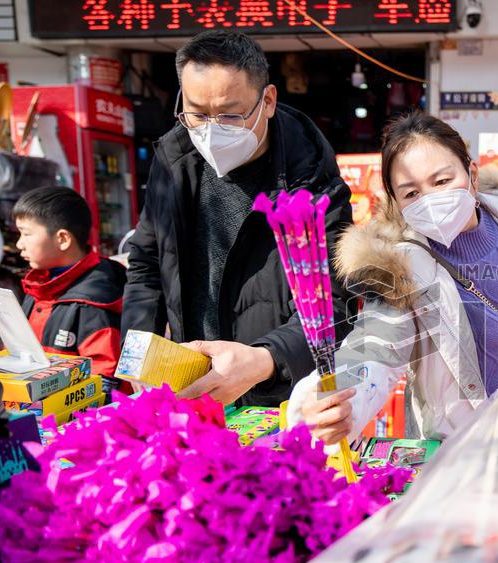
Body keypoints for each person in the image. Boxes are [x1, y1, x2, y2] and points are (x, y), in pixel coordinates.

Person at [289, 112, 498, 442]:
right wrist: (333, 400)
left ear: (472, 174)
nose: (431, 199)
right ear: (396, 202)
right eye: (411, 193)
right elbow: (375, 348)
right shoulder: (398, 264)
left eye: (442, 181)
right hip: (460, 448)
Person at [122, 30, 353, 406]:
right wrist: (138, 355)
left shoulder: (312, 184)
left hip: (280, 396)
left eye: (231, 114)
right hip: (192, 385)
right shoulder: (173, 162)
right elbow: (147, 264)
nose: (213, 130)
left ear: (269, 100)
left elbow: (335, 303)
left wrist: (265, 359)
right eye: (197, 113)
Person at [15, 186, 126, 386]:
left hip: (71, 416)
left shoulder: (95, 301)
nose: (19, 244)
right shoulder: (38, 287)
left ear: (63, 239)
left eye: (26, 234)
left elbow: (103, 382)